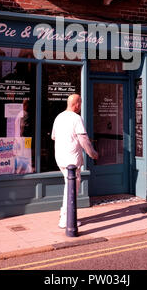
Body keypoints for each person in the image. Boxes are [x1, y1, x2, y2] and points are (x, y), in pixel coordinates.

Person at [51, 93, 98, 229]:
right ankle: (66, 220)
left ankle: (64, 213)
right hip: (71, 160)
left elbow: (54, 136)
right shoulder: (76, 118)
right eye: (80, 103)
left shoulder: (59, 117)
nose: (80, 106)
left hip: (60, 158)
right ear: (77, 104)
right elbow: (84, 140)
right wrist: (93, 154)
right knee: (71, 189)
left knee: (68, 186)